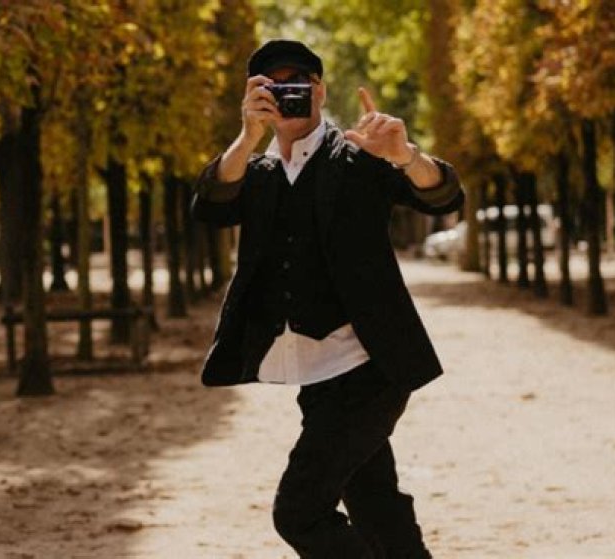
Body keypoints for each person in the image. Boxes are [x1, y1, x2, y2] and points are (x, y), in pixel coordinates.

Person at [191, 39, 464, 559]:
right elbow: (210, 206)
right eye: (273, 86)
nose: (288, 93)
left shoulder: (361, 153)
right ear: (256, 96)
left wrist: (405, 156)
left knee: (298, 512)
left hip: (370, 369)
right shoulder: (255, 171)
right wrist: (247, 136)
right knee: (376, 506)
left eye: (299, 81)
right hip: (315, 376)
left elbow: (443, 196)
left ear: (319, 90)